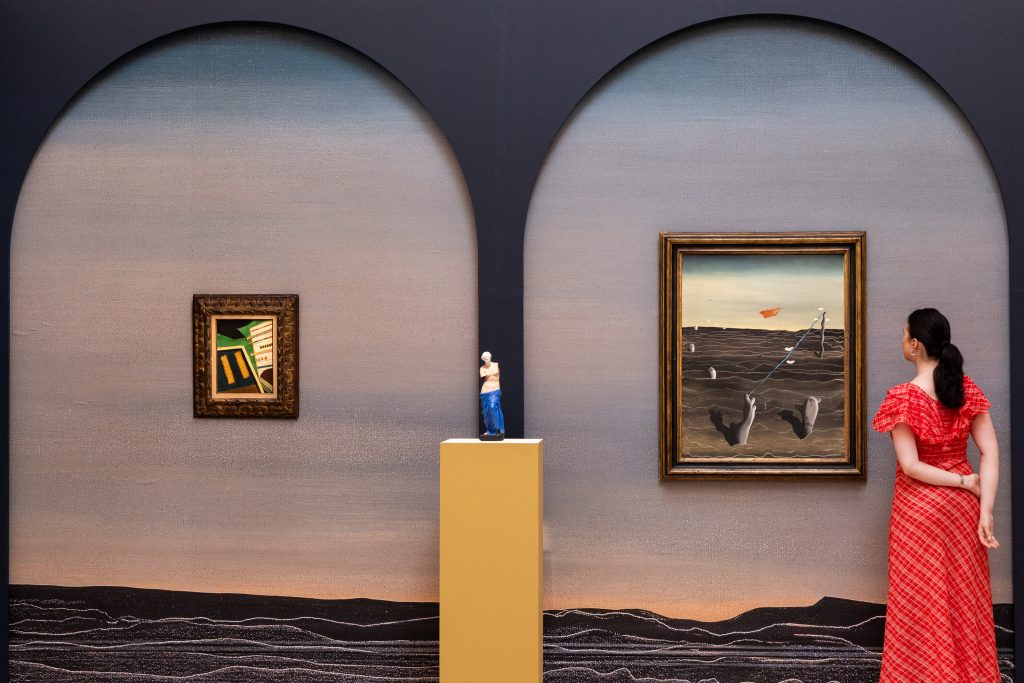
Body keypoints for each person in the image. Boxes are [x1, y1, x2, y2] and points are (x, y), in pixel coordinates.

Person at [872, 308, 1000, 682]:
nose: (901, 340)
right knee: (964, 601)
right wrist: (985, 509)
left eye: (904, 334)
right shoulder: (965, 388)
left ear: (915, 344)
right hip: (963, 512)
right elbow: (991, 452)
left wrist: (964, 482)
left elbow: (911, 467)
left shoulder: (902, 397)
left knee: (919, 604)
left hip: (918, 513)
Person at [479, 351, 504, 438]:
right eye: (486, 359)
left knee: (492, 407)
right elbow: (483, 377)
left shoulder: (496, 365)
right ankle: (490, 430)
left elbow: (495, 373)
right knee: (487, 412)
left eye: (489, 358)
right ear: (483, 359)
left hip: (495, 390)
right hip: (485, 391)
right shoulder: (482, 368)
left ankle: (497, 429)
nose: (488, 360)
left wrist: (488, 372)